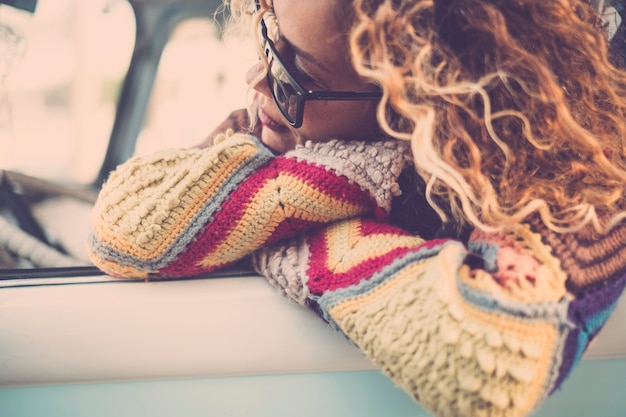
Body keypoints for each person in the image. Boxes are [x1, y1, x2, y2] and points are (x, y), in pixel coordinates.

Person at [89, 0, 626, 416]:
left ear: (422, 97)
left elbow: (495, 358)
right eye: (266, 33)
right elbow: (123, 224)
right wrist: (330, 187)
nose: (257, 80)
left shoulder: (583, 176)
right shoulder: (292, 120)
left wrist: (284, 231)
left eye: (294, 71)